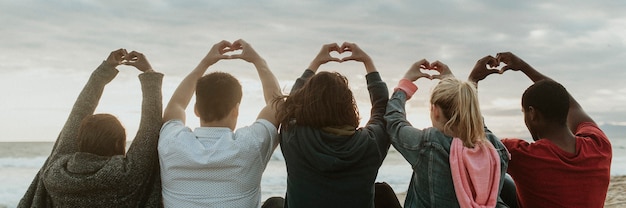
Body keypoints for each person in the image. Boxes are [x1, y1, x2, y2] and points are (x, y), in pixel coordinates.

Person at [19, 49, 164, 207]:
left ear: (79, 140)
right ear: (118, 143)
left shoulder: (56, 173)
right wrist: (148, 72)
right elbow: (150, 129)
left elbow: (78, 113)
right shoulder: (126, 174)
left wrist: (105, 70)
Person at [470, 52, 612, 208]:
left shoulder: (522, 156)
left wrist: (473, 80)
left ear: (532, 113)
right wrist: (524, 67)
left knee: (499, 182)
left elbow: (474, 134)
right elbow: (573, 105)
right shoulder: (599, 145)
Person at [158, 39, 283, 207]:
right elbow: (276, 104)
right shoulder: (251, 145)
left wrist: (205, 63)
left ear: (196, 109)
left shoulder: (171, 142)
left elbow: (176, 105)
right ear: (236, 110)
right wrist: (258, 61)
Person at [275, 42, 391, 208]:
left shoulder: (294, 136)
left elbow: (289, 106)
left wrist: (316, 63)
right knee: (382, 191)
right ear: (348, 106)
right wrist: (367, 61)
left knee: (275, 203)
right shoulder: (370, 143)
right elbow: (382, 109)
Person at [385, 59, 510, 208]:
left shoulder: (428, 144)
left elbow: (394, 121)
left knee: (381, 191)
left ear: (435, 111)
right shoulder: (495, 149)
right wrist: (451, 80)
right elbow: (475, 120)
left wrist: (405, 84)